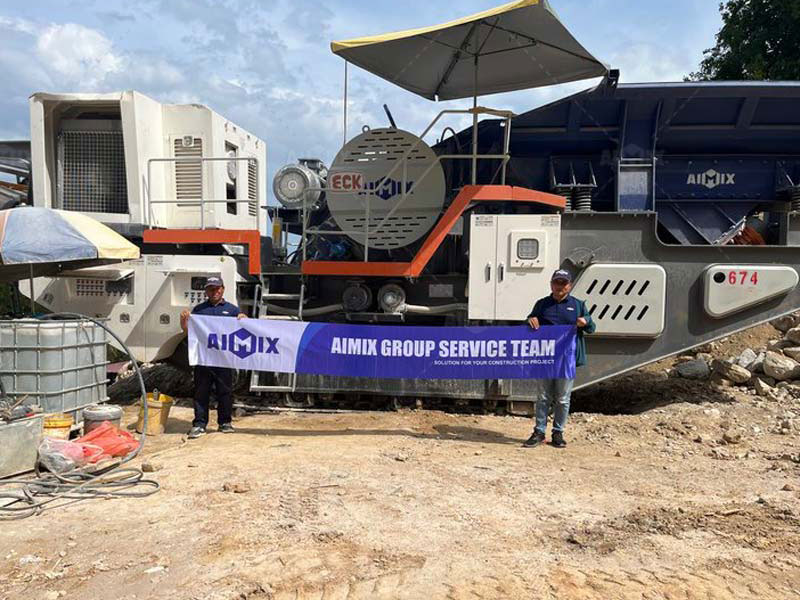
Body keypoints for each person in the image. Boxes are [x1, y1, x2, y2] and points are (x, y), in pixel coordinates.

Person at [523, 269, 595, 449]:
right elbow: (530, 322)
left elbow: (592, 327)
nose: (559, 286)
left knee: (563, 398)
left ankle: (558, 433)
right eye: (556, 282)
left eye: (563, 283)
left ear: (569, 286)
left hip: (567, 360)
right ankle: (539, 432)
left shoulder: (578, 305)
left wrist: (585, 322)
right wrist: (530, 320)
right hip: (545, 357)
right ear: (551, 284)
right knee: (543, 397)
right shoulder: (542, 304)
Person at [180, 276, 247, 439]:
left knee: (225, 392)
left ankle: (225, 423)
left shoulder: (232, 310)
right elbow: (189, 332)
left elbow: (243, 332)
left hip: (224, 360)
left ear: (223, 289)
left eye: (217, 288)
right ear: (206, 291)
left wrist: (244, 320)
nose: (214, 291)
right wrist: (183, 322)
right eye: (211, 289)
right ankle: (199, 424)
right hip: (204, 360)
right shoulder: (199, 310)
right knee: (201, 392)